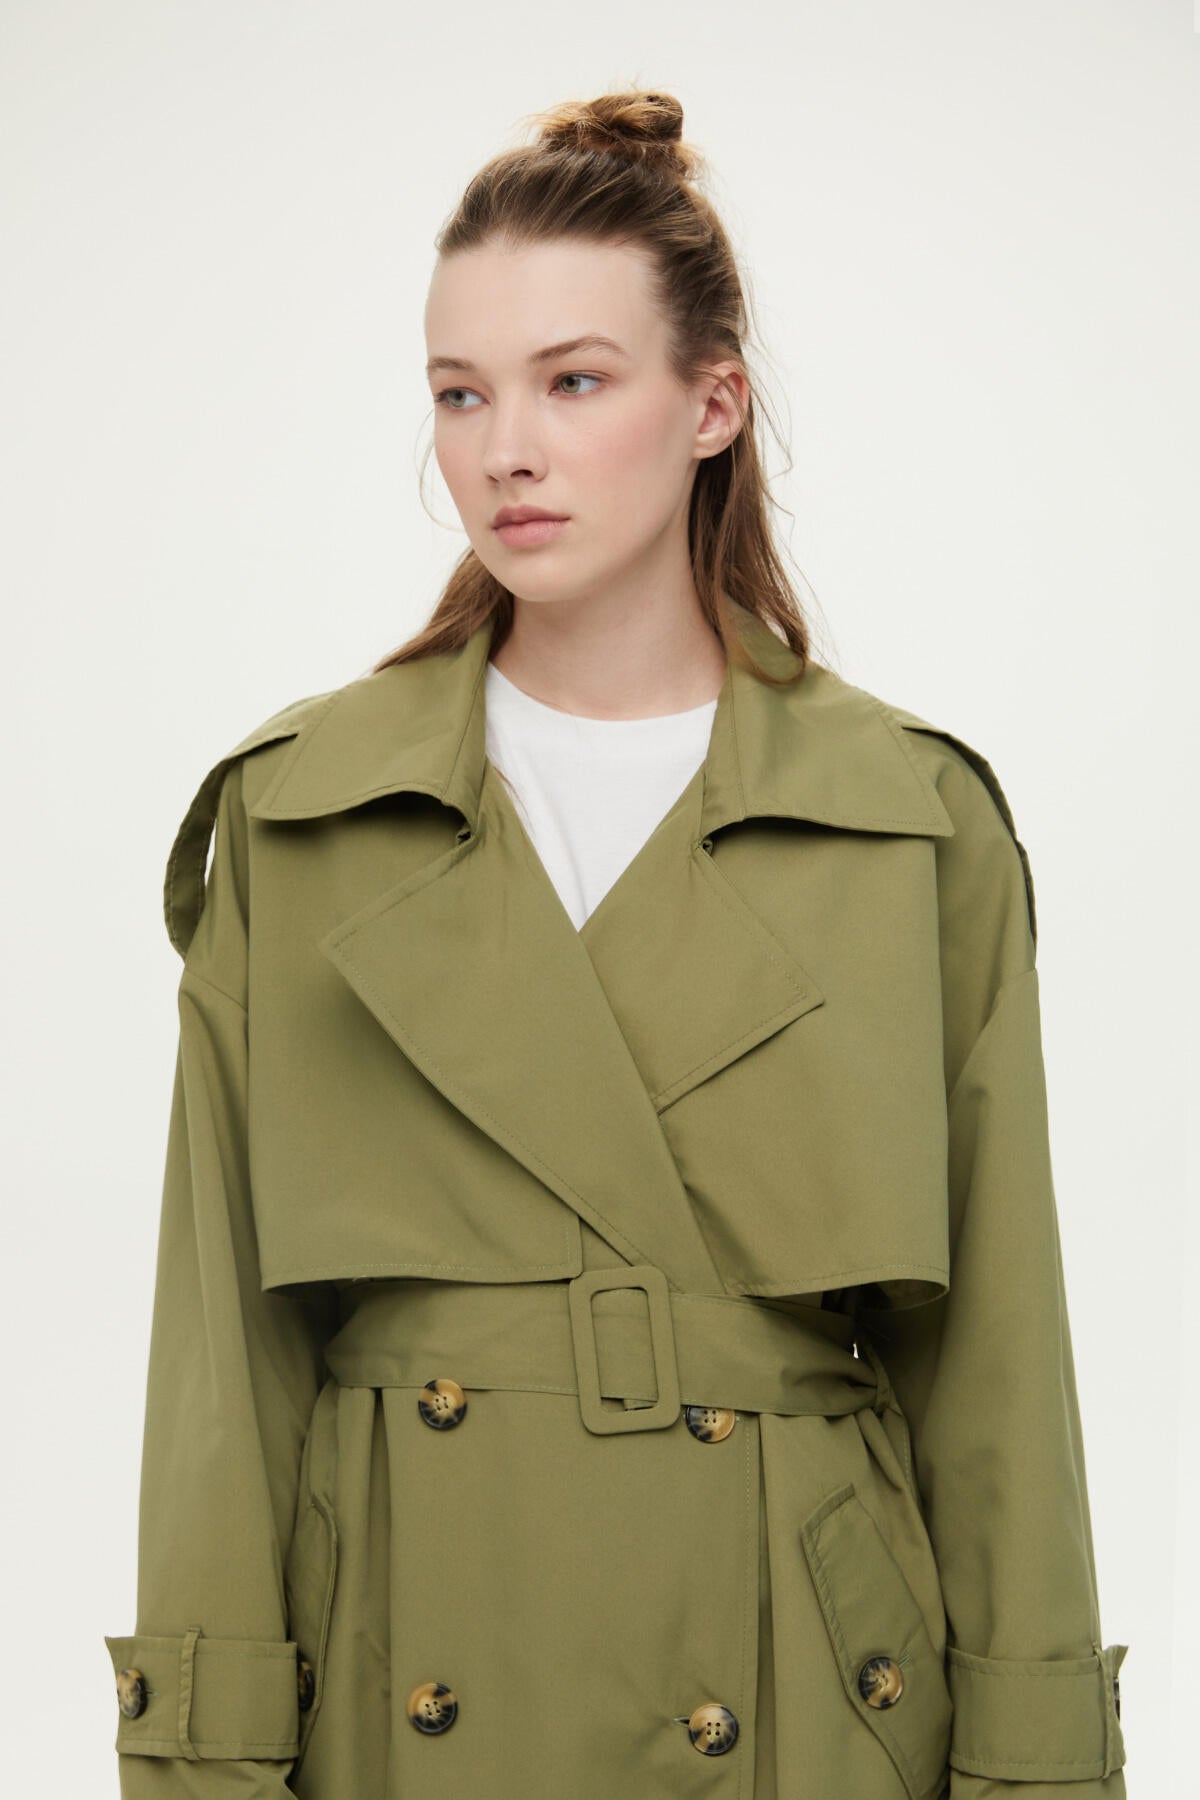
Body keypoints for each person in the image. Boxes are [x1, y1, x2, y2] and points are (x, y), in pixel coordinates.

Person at [103, 90, 1129, 1799]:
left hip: (801, 1699)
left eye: (572, 381)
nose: (504, 449)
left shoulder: (909, 824)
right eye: (460, 393)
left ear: (712, 404)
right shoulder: (303, 815)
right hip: (405, 1670)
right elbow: (222, 1369)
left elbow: (1001, 1368)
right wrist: (203, 1763)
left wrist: (1037, 1765)